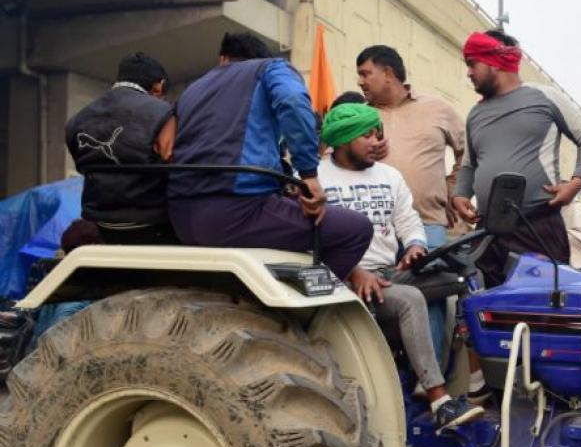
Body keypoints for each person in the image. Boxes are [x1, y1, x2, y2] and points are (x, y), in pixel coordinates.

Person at [318, 103, 483, 430]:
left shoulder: (389, 175)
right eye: (367, 134)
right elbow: (307, 241)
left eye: (377, 132)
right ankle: (439, 400)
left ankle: (477, 380)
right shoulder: (316, 177)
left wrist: (415, 246)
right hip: (341, 280)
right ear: (343, 138)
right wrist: (353, 271)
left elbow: (408, 222)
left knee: (468, 276)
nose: (376, 141)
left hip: (388, 274)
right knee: (409, 299)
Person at [163, 32, 371, 279]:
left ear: (223, 60)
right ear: (259, 60)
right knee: (356, 230)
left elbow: (168, 146)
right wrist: (308, 174)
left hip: (180, 217)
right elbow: (293, 101)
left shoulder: (192, 89)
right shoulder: (271, 69)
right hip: (237, 212)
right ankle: (305, 312)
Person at [451, 30, 581, 287]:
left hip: (537, 224)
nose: (468, 73)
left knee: (541, 307)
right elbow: (469, 165)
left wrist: (576, 182)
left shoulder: (545, 97)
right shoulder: (476, 113)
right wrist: (459, 194)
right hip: (489, 230)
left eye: (471, 64)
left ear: (494, 62)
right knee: (492, 311)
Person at [357, 45, 465, 366]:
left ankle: (430, 385)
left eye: (366, 73)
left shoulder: (437, 109)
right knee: (376, 301)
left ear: (388, 73)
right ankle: (389, 382)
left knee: (429, 299)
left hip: (428, 224)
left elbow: (467, 151)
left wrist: (452, 190)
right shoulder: (362, 116)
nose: (360, 81)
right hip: (374, 231)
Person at [65, 52, 177, 244]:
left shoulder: (78, 118)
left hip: (98, 224)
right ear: (159, 86)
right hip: (151, 224)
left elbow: (80, 165)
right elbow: (171, 156)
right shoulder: (163, 113)